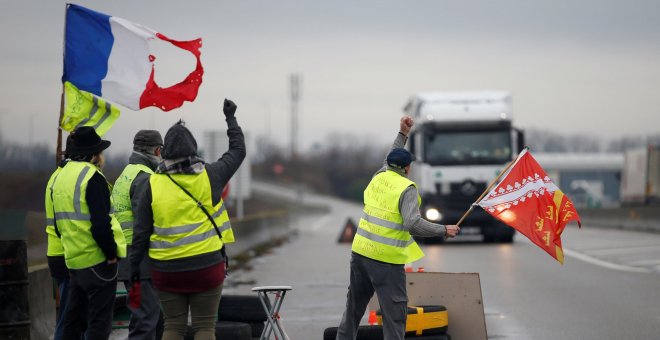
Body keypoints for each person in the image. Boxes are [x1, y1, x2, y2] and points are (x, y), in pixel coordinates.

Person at [336, 116, 461, 340]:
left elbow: (389, 156)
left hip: (361, 253)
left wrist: (402, 134)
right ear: (407, 168)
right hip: (386, 261)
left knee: (353, 310)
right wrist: (444, 230)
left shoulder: (380, 176)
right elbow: (412, 223)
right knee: (394, 317)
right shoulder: (407, 188)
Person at [130, 98, 246, 340]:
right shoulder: (211, 176)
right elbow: (238, 151)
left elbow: (141, 233)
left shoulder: (152, 184)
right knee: (205, 327)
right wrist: (230, 118)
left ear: (166, 152)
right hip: (206, 266)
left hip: (165, 269)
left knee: (173, 326)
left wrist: (134, 270)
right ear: (193, 149)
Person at [51, 126, 127, 339]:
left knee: (73, 323)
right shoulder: (93, 178)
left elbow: (58, 224)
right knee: (99, 324)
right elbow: (101, 224)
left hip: (74, 262)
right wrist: (111, 253)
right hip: (98, 262)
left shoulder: (59, 177)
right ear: (95, 155)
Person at [112, 130, 165, 340]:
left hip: (128, 257)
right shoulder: (145, 178)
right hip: (140, 260)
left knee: (147, 318)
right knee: (146, 322)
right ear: (158, 150)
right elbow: (146, 222)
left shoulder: (127, 173)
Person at [45, 136, 85, 340]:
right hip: (67, 254)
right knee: (69, 317)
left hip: (58, 252)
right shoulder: (68, 179)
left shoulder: (56, 177)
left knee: (70, 315)